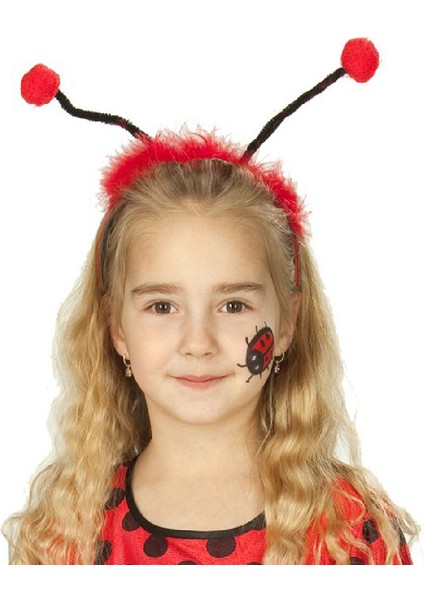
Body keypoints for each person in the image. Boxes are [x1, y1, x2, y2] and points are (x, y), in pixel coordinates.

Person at [2, 40, 420, 565]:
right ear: (116, 328)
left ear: (287, 322)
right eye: (161, 307)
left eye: (233, 306)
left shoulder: (350, 530)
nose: (197, 343)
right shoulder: (66, 532)